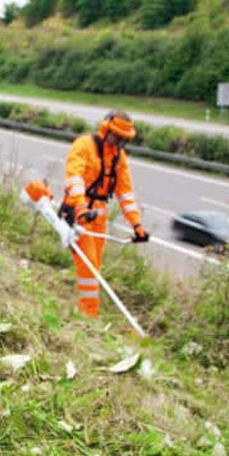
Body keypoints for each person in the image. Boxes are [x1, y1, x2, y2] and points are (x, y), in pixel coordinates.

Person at [58, 109, 150, 319]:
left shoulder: (119, 157)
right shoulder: (84, 145)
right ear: (105, 128)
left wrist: (137, 225)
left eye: (123, 139)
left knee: (95, 265)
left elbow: (125, 192)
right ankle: (88, 314)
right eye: (116, 136)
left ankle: (85, 309)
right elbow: (75, 178)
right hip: (77, 211)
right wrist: (81, 207)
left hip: (98, 216)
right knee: (88, 264)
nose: (118, 142)